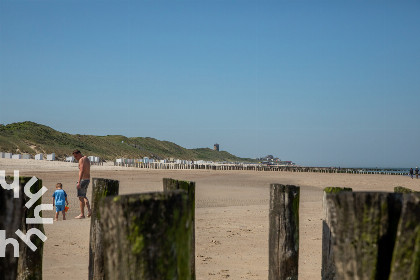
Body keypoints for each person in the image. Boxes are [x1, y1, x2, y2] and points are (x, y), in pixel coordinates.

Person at [73, 149, 92, 219]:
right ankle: (89, 210)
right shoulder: (86, 158)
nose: (75, 158)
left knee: (81, 197)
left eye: (76, 156)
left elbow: (82, 170)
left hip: (83, 180)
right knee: (83, 196)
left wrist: (79, 181)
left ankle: (82, 214)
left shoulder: (81, 159)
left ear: (79, 154)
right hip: (87, 179)